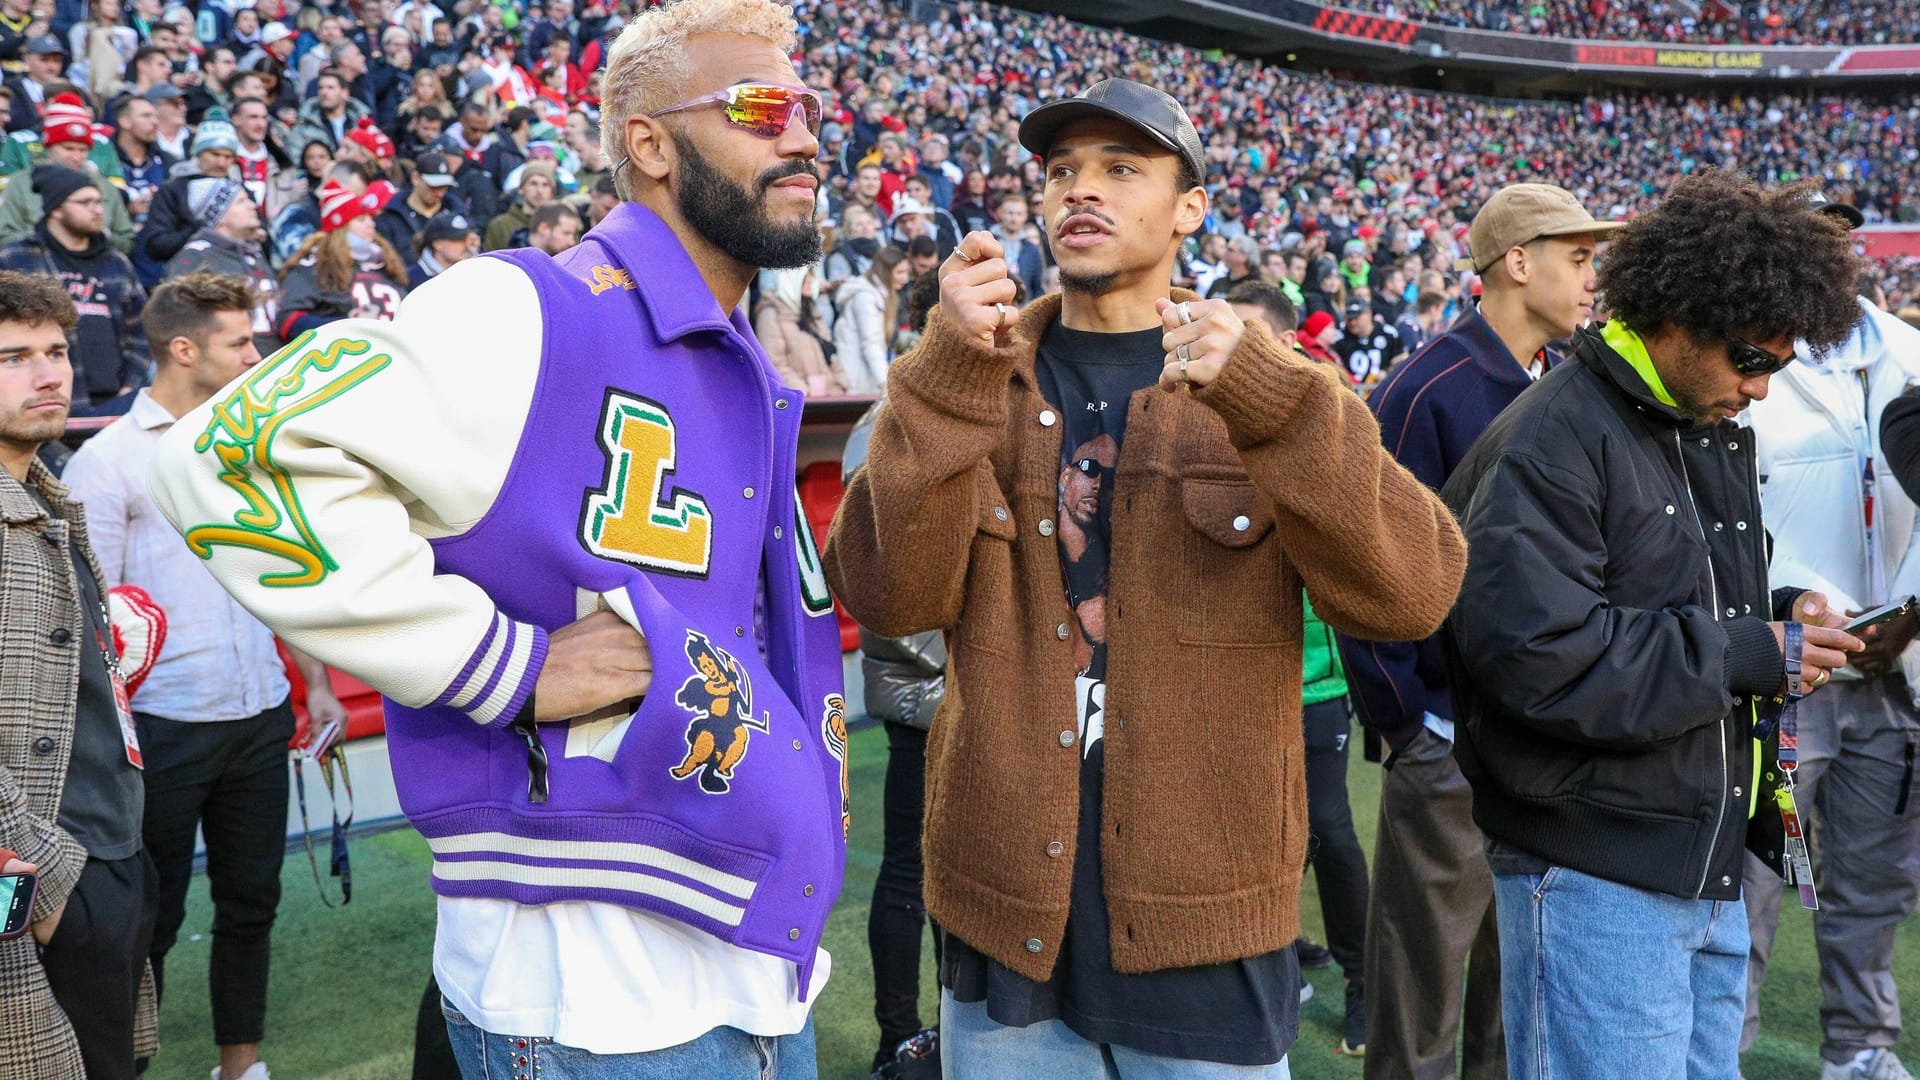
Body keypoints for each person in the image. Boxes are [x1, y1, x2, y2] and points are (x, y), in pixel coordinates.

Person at [148, 0, 847, 1075]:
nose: (803, 135)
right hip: (588, 989)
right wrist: (504, 667)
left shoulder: (739, 354)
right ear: (649, 143)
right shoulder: (526, 306)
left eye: (808, 109)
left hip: (750, 959)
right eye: (761, 107)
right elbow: (228, 456)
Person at [826, 77, 1465, 1078]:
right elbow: (887, 593)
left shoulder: (1264, 385)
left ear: (1190, 210)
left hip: (1209, 928)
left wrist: (1280, 404)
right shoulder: (971, 374)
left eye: (1123, 168)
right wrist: (944, 372)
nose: (1083, 189)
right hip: (1006, 929)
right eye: (1062, 170)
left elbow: (1412, 590)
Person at [1438, 170, 1868, 1080]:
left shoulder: (1695, 423)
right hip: (1597, 875)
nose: (1762, 390)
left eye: (1781, 367)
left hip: (1700, 863)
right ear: (1678, 314)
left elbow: (1673, 603)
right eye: (1754, 359)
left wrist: (1781, 615)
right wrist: (1755, 650)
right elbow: (1540, 661)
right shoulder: (1552, 435)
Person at [1337, 181, 1623, 1080]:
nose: (1591, 282)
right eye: (1578, 260)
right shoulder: (1429, 388)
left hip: (1534, 735)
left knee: (1516, 982)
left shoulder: (1557, 382)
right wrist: (1408, 725)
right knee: (1423, 985)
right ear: (1516, 262)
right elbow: (1364, 561)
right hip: (1450, 736)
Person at [62, 273, 343, 1080]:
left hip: (259, 710)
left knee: (253, 903)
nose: (257, 354)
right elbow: (96, 619)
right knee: (146, 918)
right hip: (159, 725)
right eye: (240, 342)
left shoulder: (249, 447)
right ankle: (127, 1063)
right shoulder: (108, 462)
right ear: (184, 350)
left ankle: (240, 1066)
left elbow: (286, 576)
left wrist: (314, 682)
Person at [1745, 254, 1920, 1076]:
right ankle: (1718, 1051)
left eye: (1844, 238)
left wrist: (1915, 609)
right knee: (1753, 884)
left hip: (1892, 676)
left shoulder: (1905, 351)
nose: (1835, 256)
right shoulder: (1750, 352)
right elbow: (1727, 511)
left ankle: (1859, 1049)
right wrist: (1797, 602)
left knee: (1872, 885)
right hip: (1788, 679)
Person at [0, 268, 157, 1080]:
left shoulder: (52, 493)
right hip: (46, 874)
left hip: (114, 842)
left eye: (56, 350)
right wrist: (48, 882)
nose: (50, 372)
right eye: (15, 357)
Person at [1228, 277, 1372, 1056]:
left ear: (1285, 341)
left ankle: (1363, 979)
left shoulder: (1327, 412)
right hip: (1230, 681)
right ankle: (1280, 953)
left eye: (1248, 330)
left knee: (1329, 829)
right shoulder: (1192, 408)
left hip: (1313, 677)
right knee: (1243, 831)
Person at [841, 398, 946, 1080]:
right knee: (913, 876)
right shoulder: (890, 420)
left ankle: (934, 1037)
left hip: (965, 694)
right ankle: (901, 1041)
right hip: (930, 698)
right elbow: (874, 571)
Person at [0, 165, 148, 415]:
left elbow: (143, 330)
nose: (98, 210)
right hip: (42, 402)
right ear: (56, 208)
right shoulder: (15, 258)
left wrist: (130, 385)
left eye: (99, 202)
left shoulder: (117, 262)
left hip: (115, 403)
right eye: (85, 202)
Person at [0, 92, 136, 253]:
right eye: (68, 148)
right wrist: (50, 238)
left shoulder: (103, 186)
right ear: (49, 146)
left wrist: (98, 236)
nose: (76, 156)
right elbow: (4, 236)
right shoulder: (22, 183)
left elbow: (127, 241)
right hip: (37, 271)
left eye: (83, 150)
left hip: (94, 269)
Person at [275, 175, 406, 335]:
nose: (371, 224)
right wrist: (344, 325)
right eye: (361, 219)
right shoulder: (313, 268)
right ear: (341, 228)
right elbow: (289, 320)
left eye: (371, 218)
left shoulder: (384, 263)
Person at [164, 177, 279, 355]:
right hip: (233, 370)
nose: (252, 205)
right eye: (241, 201)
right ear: (220, 214)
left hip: (272, 360)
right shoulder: (195, 258)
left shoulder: (253, 251)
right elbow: (181, 318)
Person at [834, 244, 905, 396]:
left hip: (868, 375)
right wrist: (885, 382)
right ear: (885, 272)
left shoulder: (881, 295)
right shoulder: (864, 297)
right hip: (857, 376)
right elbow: (870, 343)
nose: (905, 278)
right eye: (900, 272)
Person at [1333, 297, 1406, 388]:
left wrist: (1387, 372)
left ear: (1369, 314)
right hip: (1350, 391)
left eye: (1356, 318)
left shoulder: (1388, 333)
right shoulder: (1340, 337)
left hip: (1381, 389)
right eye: (1349, 318)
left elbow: (1402, 359)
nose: (1352, 322)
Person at [406, 209, 475, 290]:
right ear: (437, 244)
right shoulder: (411, 279)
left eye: (466, 239)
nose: (466, 244)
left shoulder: (474, 271)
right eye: (458, 239)